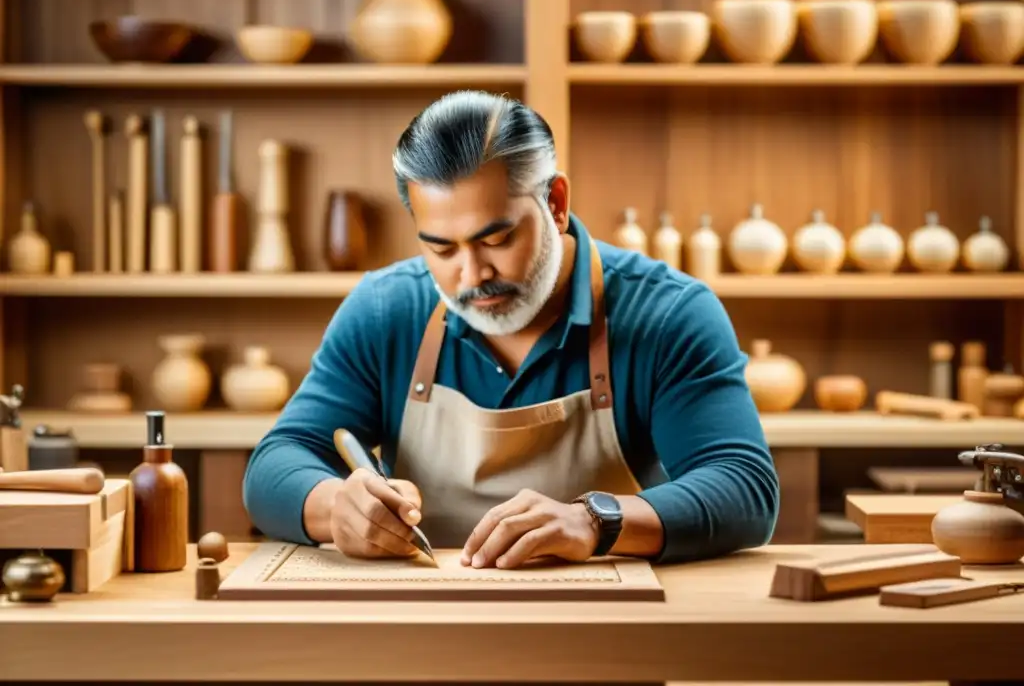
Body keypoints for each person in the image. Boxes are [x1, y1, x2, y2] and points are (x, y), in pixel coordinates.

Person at [242, 90, 780, 569]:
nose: (472, 275)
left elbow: (744, 486)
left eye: (496, 240)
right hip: (417, 630)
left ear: (557, 204)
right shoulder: (386, 310)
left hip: (606, 638)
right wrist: (336, 507)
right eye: (441, 248)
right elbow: (276, 464)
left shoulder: (666, 313)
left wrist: (596, 521)